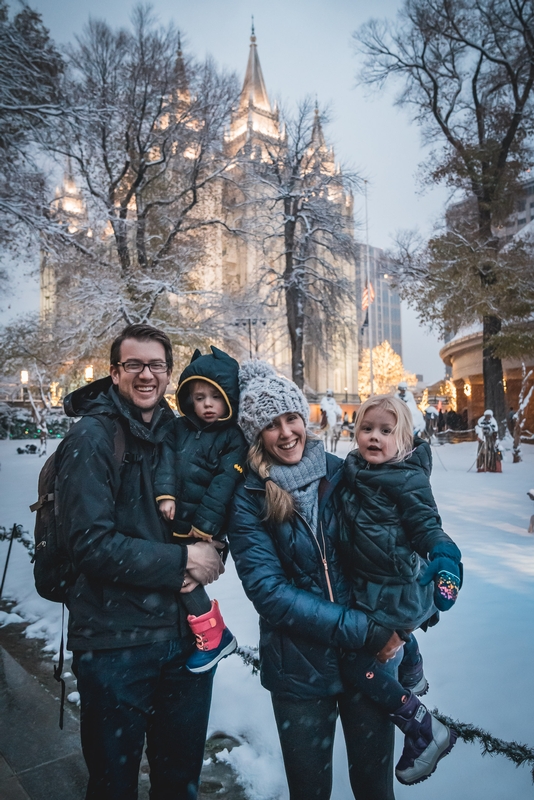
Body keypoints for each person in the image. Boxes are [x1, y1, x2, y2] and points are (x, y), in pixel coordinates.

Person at [56, 323, 225, 800]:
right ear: (114, 373)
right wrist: (181, 561)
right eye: (134, 365)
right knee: (113, 784)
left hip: (185, 642)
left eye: (156, 365)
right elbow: (89, 543)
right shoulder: (91, 437)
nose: (146, 375)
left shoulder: (182, 432)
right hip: (115, 645)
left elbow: (212, 509)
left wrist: (212, 549)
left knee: (179, 783)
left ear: (169, 374)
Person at [229, 361, 404, 800]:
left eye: (291, 418)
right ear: (256, 434)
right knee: (309, 791)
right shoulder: (249, 497)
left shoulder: (343, 472)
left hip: (370, 660)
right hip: (299, 670)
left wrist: (408, 617)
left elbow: (395, 548)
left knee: (375, 789)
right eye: (271, 425)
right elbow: (269, 593)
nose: (286, 432)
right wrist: (363, 629)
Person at [338, 395, 462, 785]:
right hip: (374, 589)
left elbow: (426, 524)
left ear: (404, 441)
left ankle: (424, 727)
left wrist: (444, 555)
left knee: (357, 664)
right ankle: (412, 667)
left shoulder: (407, 479)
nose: (374, 437)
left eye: (386, 431)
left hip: (400, 592)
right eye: (366, 428)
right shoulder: (354, 471)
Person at [154, 346, 248, 673]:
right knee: (174, 576)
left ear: (229, 398)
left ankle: (214, 635)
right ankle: (203, 633)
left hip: (203, 530)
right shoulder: (177, 429)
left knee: (187, 581)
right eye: (199, 397)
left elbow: (224, 482)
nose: (207, 404)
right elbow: (164, 462)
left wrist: (205, 527)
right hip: (172, 523)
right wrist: (165, 494)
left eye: (215, 396)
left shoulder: (233, 438)